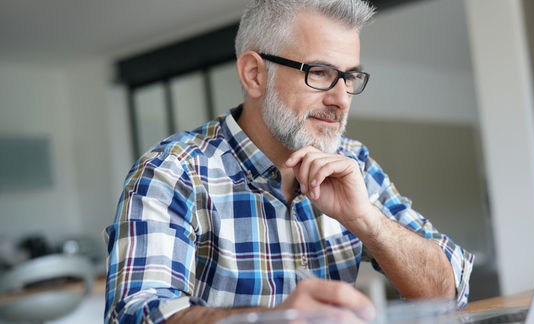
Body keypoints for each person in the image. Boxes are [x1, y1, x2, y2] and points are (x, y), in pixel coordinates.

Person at [104, 0, 473, 323]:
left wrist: (367, 221)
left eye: (350, 77)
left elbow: (451, 290)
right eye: (321, 73)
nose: (341, 99)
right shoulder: (173, 172)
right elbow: (135, 313)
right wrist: (275, 321)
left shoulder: (352, 161)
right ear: (254, 74)